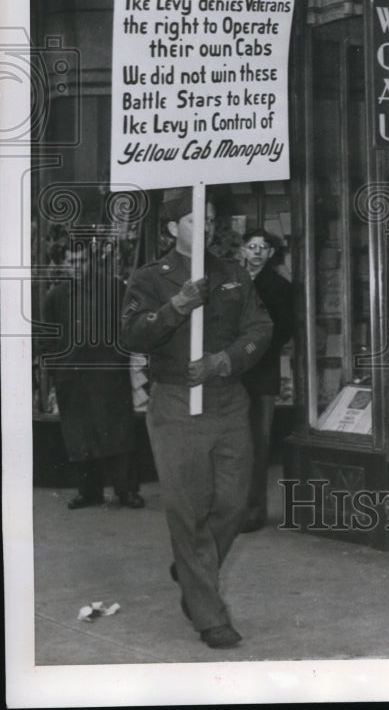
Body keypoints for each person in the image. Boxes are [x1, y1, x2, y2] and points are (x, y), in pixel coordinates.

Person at [120, 189, 273, 650]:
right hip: (175, 404)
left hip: (227, 401)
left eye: (208, 218)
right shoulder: (151, 277)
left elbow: (260, 328)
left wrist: (223, 361)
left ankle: (192, 572)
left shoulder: (232, 273)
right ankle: (208, 615)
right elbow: (131, 334)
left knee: (232, 504)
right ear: (172, 228)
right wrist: (177, 307)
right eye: (192, 220)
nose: (203, 226)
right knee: (187, 511)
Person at [41, 235, 144, 510]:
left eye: (81, 260)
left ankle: (126, 491)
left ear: (91, 261)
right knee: (80, 435)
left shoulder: (113, 288)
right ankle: (88, 492)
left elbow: (128, 326)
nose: (76, 266)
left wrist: (118, 360)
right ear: (63, 264)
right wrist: (57, 368)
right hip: (71, 377)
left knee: (118, 433)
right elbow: (47, 336)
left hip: (108, 374)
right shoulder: (56, 296)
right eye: (71, 261)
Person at [238, 228, 294, 533]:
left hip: (261, 374)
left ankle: (254, 511)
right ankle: (235, 507)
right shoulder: (233, 282)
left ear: (271, 253)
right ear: (243, 251)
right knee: (234, 444)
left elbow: (283, 330)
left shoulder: (280, 287)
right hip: (232, 375)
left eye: (263, 247)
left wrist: (253, 350)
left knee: (257, 443)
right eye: (252, 246)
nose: (257, 252)